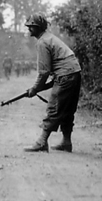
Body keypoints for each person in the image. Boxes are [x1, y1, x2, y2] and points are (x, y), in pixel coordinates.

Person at [23, 14, 82, 153]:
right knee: (67, 109)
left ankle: (42, 142)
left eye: (32, 27)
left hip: (65, 75)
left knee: (54, 107)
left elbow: (44, 72)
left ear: (38, 28)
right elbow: (53, 74)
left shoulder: (43, 42)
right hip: (74, 73)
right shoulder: (50, 38)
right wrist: (37, 88)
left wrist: (34, 89)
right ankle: (66, 142)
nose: (29, 29)